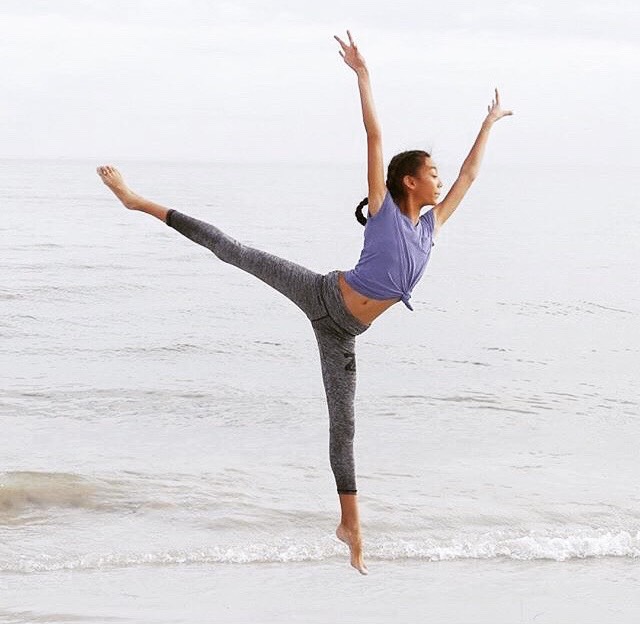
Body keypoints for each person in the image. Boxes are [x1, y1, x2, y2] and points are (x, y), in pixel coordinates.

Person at [96, 30, 512, 575]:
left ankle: (351, 526)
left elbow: (469, 175)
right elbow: (374, 133)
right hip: (320, 292)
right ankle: (135, 200)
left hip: (341, 333)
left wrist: (487, 124)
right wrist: (363, 75)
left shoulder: (431, 227)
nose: (440, 178)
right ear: (410, 181)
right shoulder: (386, 207)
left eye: (438, 173)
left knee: (344, 425)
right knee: (232, 250)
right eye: (431, 172)